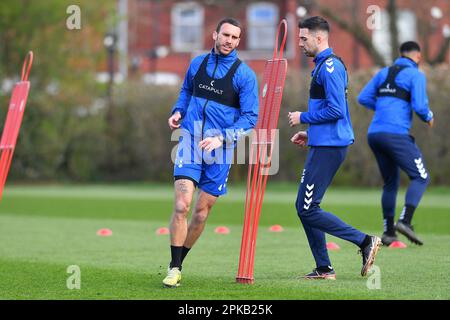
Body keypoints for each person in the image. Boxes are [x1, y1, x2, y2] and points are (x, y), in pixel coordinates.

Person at [163, 18, 259, 287]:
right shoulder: (198, 64)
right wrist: (178, 111)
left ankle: (180, 262)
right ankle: (174, 267)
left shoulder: (245, 75)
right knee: (182, 205)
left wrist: (222, 138)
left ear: (239, 41)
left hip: (220, 150)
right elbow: (186, 92)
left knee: (202, 212)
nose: (229, 40)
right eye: (226, 35)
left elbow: (250, 118)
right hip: (190, 141)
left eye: (235, 38)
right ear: (215, 34)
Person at [288, 16, 381, 280]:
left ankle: (365, 241)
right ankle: (324, 268)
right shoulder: (322, 66)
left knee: (307, 208)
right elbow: (329, 110)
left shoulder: (329, 67)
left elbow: (337, 110)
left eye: (304, 38)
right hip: (323, 143)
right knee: (305, 207)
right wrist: (311, 133)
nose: (300, 43)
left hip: (330, 147)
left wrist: (303, 117)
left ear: (320, 38)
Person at [358, 41, 434, 246]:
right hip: (396, 134)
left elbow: (363, 97)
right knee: (421, 176)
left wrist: (383, 108)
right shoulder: (416, 75)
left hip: (375, 134)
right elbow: (419, 105)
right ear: (418, 56)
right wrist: (428, 116)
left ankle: (389, 232)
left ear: (401, 54)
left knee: (390, 183)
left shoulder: (383, 73)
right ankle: (405, 221)